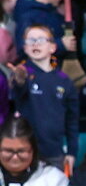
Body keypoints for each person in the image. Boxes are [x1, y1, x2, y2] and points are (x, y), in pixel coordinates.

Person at [8, 25, 78, 171]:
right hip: (26, 151)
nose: (35, 43)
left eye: (40, 40)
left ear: (52, 47)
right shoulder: (23, 73)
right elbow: (18, 92)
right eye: (30, 40)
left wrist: (71, 151)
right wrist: (19, 81)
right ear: (25, 48)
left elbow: (72, 120)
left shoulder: (64, 80)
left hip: (55, 151)